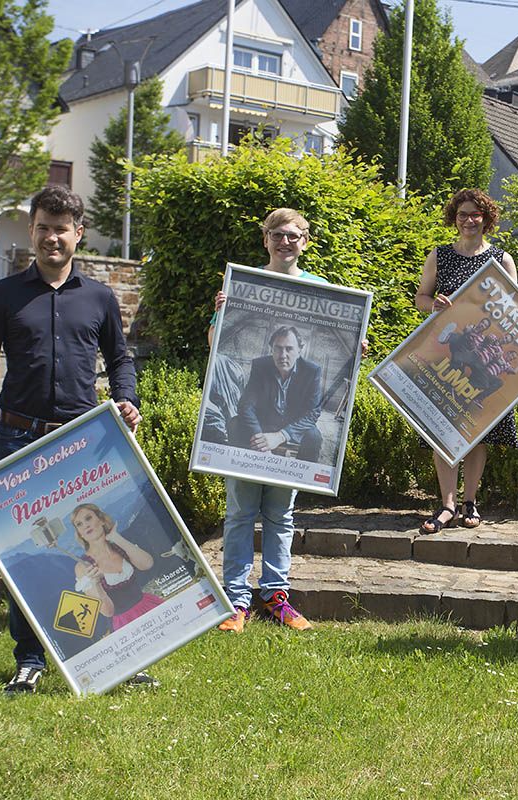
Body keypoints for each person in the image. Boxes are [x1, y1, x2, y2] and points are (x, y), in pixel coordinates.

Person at [0, 185, 144, 695]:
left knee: (90, 552)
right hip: (19, 439)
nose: (51, 237)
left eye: (61, 229)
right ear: (31, 231)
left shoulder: (99, 297)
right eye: (42, 228)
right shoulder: (5, 294)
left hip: (82, 441)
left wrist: (127, 399)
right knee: (24, 558)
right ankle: (30, 659)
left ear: (78, 234)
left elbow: (121, 360)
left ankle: (112, 651)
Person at [211, 209, 330, 634]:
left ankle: (276, 595)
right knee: (241, 512)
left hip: (290, 432)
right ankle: (235, 601)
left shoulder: (320, 290)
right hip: (252, 431)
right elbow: (215, 346)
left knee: (281, 514)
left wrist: (359, 344)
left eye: (294, 236)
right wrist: (221, 315)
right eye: (277, 235)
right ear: (265, 240)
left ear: (306, 240)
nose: (285, 242)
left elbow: (314, 409)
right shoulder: (242, 282)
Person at [414, 189, 518, 534]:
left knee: (478, 430)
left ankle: (469, 501)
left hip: (484, 358)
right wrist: (434, 306)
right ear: (454, 218)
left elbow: (516, 315)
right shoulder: (440, 256)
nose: (469, 220)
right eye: (463, 214)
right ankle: (446, 505)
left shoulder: (501, 260)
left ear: (486, 219)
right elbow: (420, 298)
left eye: (476, 214)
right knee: (443, 427)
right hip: (447, 355)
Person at [229, 325, 324, 462]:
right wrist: (260, 440)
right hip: (265, 422)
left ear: (299, 351)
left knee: (314, 436)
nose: (283, 355)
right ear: (271, 349)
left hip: (292, 426)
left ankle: (298, 479)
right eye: (278, 348)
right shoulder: (260, 366)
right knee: (235, 423)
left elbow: (312, 413)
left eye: (289, 349)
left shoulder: (312, 371)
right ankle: (241, 466)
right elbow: (246, 405)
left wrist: (281, 436)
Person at [71, 504, 164, 629]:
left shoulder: (119, 545)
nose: (85, 525)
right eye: (79, 524)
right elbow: (107, 612)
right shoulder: (83, 567)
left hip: (148, 605)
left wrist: (116, 538)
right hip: (124, 623)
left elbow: (147, 564)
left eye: (88, 518)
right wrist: (96, 584)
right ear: (80, 534)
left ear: (101, 520)